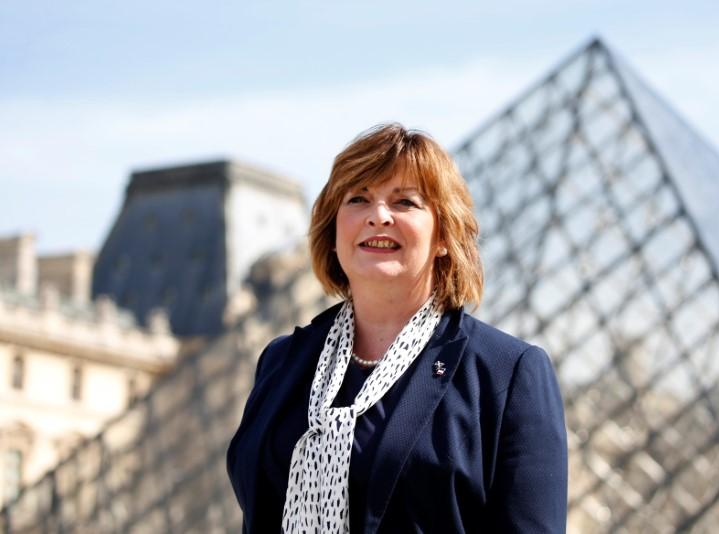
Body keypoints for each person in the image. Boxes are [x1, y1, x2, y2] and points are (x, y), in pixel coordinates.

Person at [227, 123, 568, 533]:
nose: (378, 216)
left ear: (443, 234)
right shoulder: (282, 361)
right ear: (334, 231)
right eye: (358, 199)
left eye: (405, 202)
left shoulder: (506, 374)